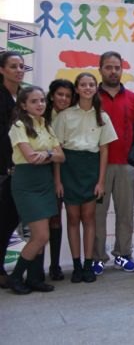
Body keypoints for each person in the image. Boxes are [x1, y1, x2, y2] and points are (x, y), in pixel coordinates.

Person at [53, 73, 118, 283]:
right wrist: (58, 180)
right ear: (77, 89)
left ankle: (89, 264)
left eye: (91, 84)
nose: (87, 88)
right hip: (69, 168)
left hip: (91, 169)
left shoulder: (102, 116)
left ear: (95, 88)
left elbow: (104, 151)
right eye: (83, 85)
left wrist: (100, 181)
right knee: (72, 218)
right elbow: (57, 149)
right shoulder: (64, 116)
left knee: (89, 218)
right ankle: (77, 265)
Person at [6, 87, 66, 294]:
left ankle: (33, 279)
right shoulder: (19, 126)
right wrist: (50, 153)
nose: (40, 104)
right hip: (26, 184)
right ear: (23, 105)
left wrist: (46, 153)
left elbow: (61, 157)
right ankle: (15, 277)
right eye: (34, 101)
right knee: (40, 236)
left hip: (45, 182)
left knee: (42, 235)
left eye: (41, 100)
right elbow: (30, 158)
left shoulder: (46, 125)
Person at [93, 51, 134, 276]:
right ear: (101, 69)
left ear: (122, 69)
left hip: (126, 165)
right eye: (108, 67)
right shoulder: (90, 97)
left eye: (117, 67)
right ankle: (96, 258)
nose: (113, 71)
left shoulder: (133, 98)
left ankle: (123, 255)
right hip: (98, 167)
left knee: (125, 214)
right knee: (97, 215)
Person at [43, 79, 74, 281]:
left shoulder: (74, 115)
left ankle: (55, 266)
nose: (63, 99)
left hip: (65, 173)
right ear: (52, 95)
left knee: (55, 220)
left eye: (67, 96)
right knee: (39, 222)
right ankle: (36, 269)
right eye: (60, 94)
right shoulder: (41, 115)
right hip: (40, 172)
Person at [0, 51, 24, 289]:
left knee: (10, 220)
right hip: (6, 169)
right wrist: (8, 165)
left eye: (21, 66)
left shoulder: (22, 97)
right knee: (4, 221)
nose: (18, 70)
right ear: (2, 70)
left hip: (22, 169)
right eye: (13, 66)